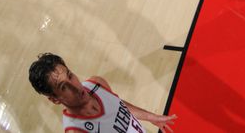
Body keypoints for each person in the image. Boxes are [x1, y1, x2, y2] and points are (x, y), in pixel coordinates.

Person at [28, 53, 177, 132]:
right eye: (63, 87)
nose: (75, 86)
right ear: (55, 99)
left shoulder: (97, 83)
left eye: (70, 75)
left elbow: (118, 105)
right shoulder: (78, 131)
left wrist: (150, 117)